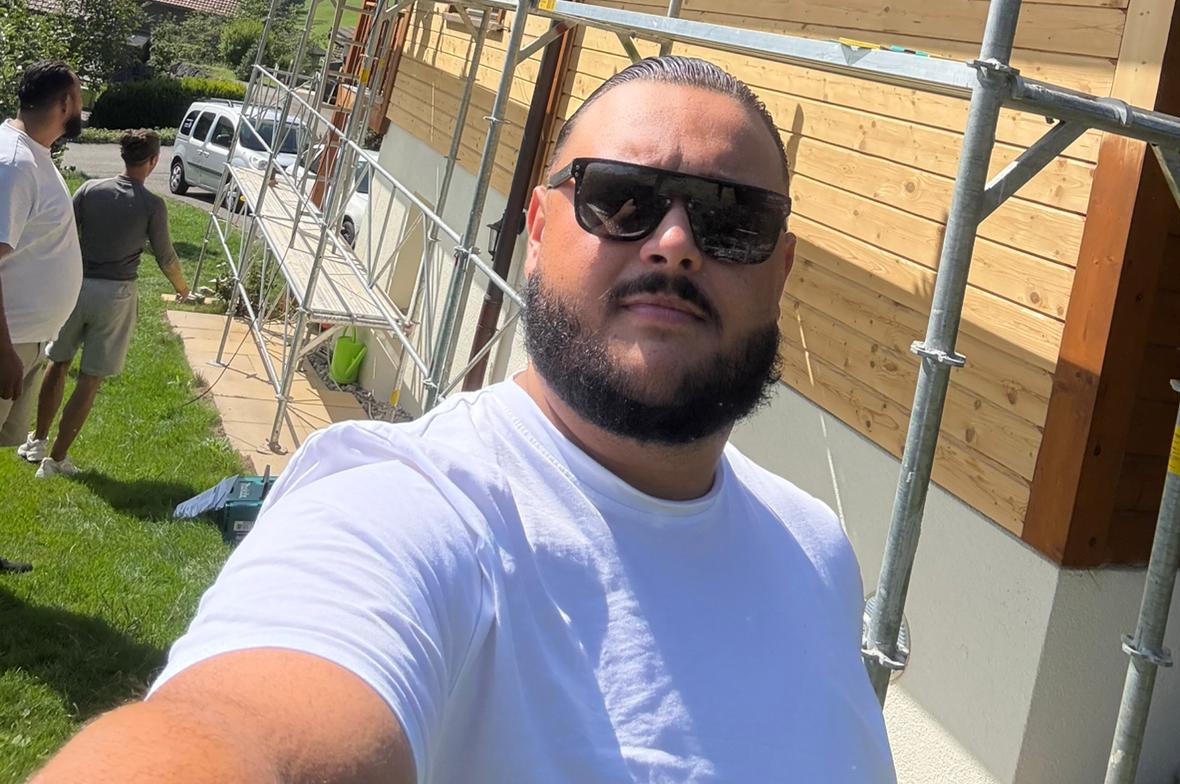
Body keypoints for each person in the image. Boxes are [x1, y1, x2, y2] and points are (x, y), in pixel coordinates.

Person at [31, 56, 895, 783]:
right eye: (622, 197)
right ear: (538, 229)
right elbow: (235, 729)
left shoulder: (817, 552)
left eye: (731, 219)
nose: (675, 243)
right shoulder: (408, 507)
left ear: (782, 269)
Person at [20, 129, 194, 478]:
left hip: (76, 286)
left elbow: (62, 232)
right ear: (153, 161)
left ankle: (36, 441)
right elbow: (166, 257)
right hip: (116, 296)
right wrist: (182, 288)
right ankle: (55, 461)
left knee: (57, 362)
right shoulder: (152, 205)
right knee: (90, 378)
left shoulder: (89, 189)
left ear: (124, 156)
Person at [0, 61, 83, 574]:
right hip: (8, 343)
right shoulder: (14, 163)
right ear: (64, 104)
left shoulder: (33, 155)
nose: (82, 107)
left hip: (26, 340)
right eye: (79, 98)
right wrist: (3, 350)